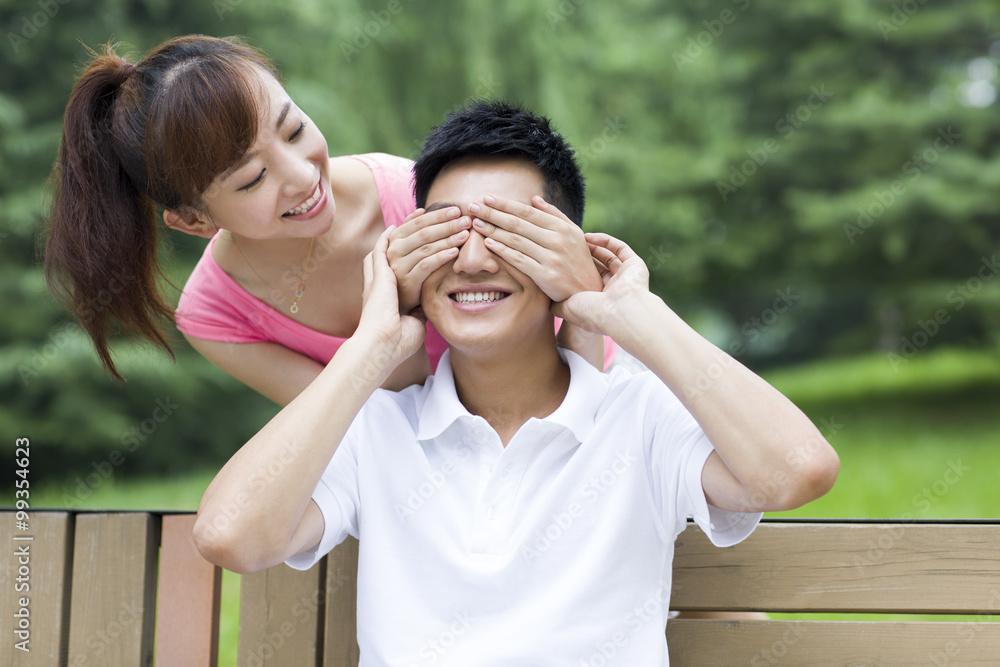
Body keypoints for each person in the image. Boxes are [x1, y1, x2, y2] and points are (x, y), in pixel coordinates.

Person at [193, 101, 839, 664]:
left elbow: (796, 468)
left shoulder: (638, 417)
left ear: (564, 250)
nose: (473, 259)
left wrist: (627, 310)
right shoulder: (376, 430)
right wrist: (371, 345)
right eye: (447, 233)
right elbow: (232, 536)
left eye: (507, 232)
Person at [43, 35, 608, 406]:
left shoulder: (416, 196)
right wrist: (395, 314)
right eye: (250, 179)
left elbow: (566, 317)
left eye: (293, 130)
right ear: (193, 220)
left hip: (584, 400)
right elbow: (356, 429)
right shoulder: (215, 315)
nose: (301, 176)